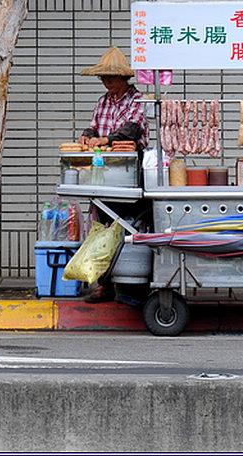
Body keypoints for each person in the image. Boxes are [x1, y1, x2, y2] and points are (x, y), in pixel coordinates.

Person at [77, 46, 149, 302]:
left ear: (122, 78)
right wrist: (87, 135)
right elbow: (94, 126)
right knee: (102, 225)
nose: (107, 83)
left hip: (128, 172)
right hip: (103, 170)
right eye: (103, 78)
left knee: (130, 225)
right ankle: (104, 284)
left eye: (110, 78)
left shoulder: (136, 100)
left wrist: (106, 139)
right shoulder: (103, 102)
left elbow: (132, 130)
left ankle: (133, 283)